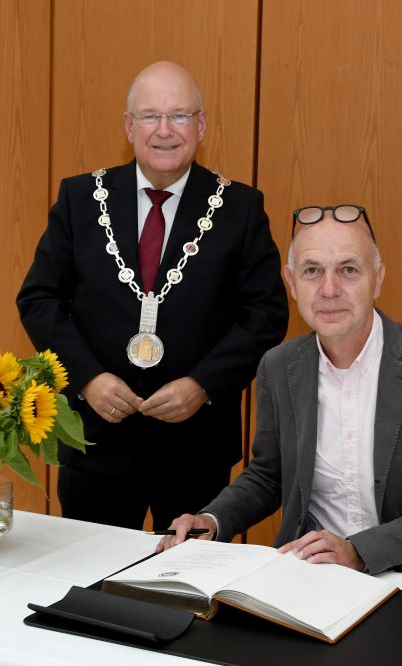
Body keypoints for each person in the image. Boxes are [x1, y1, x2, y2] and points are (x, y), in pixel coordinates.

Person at [16, 61, 288, 530]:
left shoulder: (241, 207)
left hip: (196, 448)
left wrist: (202, 386)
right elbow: (39, 298)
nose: (165, 131)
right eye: (150, 116)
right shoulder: (81, 198)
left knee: (188, 595)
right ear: (129, 126)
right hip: (94, 442)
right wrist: (87, 379)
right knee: (90, 591)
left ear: (201, 125)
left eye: (180, 115)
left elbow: (265, 314)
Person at [158, 205, 402, 584]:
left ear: (378, 279)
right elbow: (269, 476)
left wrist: (359, 551)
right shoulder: (278, 366)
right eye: (312, 271)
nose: (329, 290)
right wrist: (211, 519)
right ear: (291, 281)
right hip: (310, 578)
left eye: (349, 270)